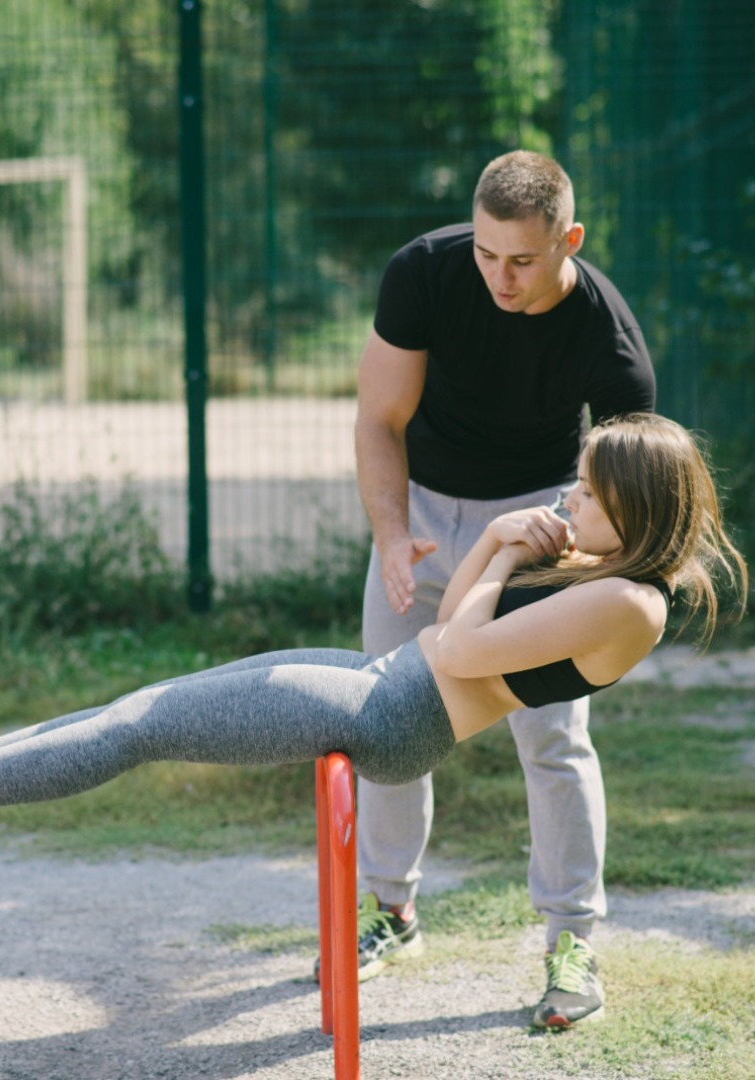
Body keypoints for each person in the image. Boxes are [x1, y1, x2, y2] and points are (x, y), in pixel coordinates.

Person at [0, 415, 745, 1032]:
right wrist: (498, 543)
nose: (567, 503)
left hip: (391, 715)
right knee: (138, 706)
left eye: (585, 494)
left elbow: (459, 650)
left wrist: (500, 549)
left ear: (631, 509)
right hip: (384, 680)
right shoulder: (600, 569)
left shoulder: (629, 604)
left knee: (141, 726)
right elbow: (448, 621)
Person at [352, 149, 657, 1025]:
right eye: (487, 254)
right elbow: (379, 417)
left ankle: (573, 943)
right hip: (422, 514)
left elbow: (631, 503)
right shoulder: (423, 272)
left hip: (544, 523)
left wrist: (585, 578)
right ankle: (391, 912)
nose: (500, 276)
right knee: (383, 724)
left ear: (570, 240)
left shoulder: (611, 345)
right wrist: (390, 535)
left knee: (554, 736)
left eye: (522, 259)